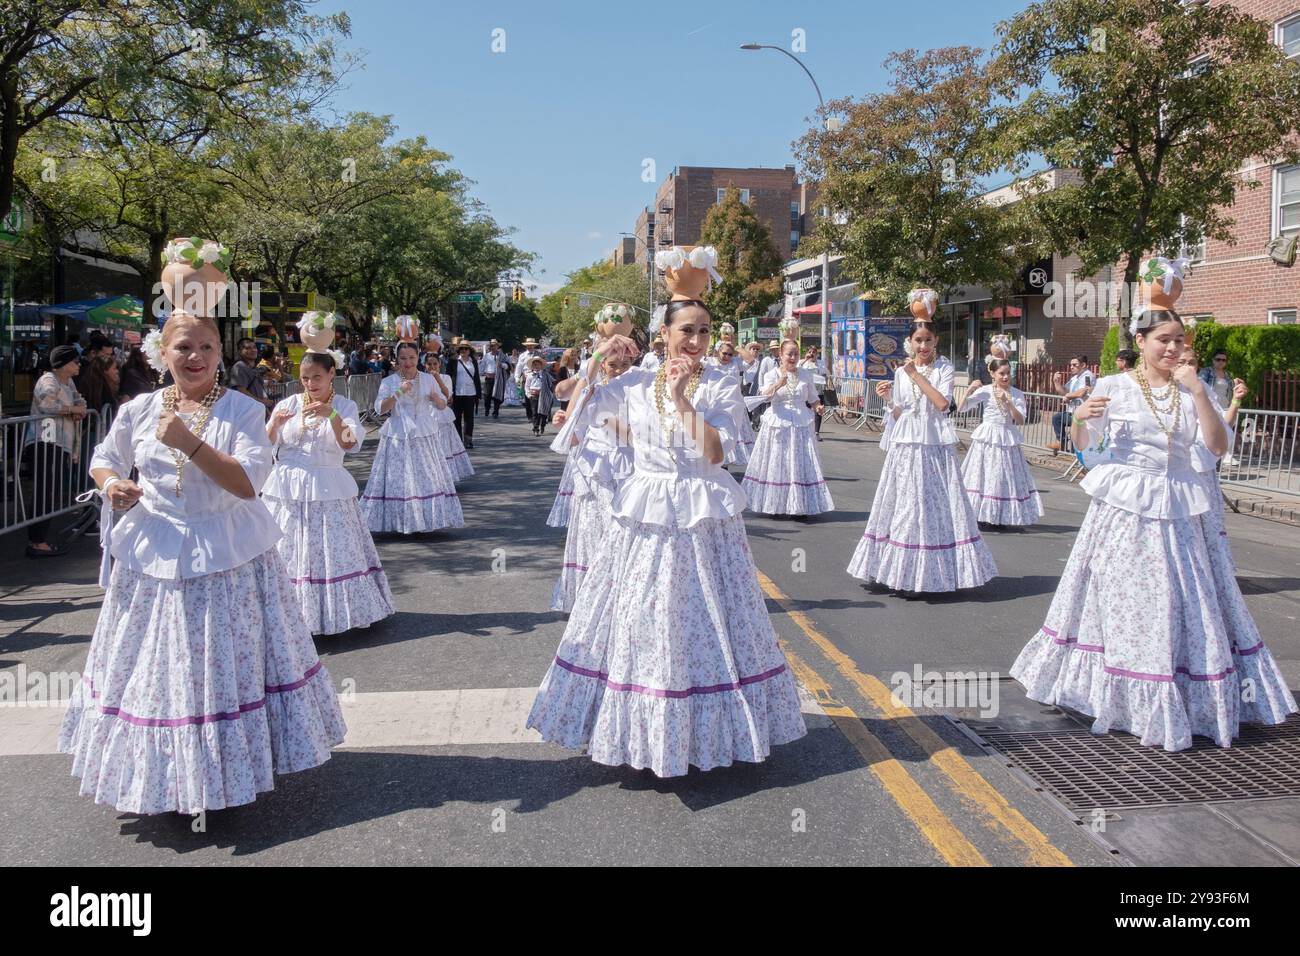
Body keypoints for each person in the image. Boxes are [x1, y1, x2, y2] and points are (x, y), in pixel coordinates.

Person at [62, 313, 347, 814]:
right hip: (152, 555)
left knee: (212, 667)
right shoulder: (139, 408)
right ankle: (167, 779)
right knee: (156, 671)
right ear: (161, 354)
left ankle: (219, 775)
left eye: (207, 348)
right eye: (184, 348)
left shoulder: (241, 409)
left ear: (220, 353)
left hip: (225, 554)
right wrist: (113, 485)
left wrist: (187, 442)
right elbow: (104, 457)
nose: (195, 358)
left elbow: (247, 483)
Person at [526, 297, 807, 776]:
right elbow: (576, 401)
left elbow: (716, 453)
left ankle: (709, 729)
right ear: (665, 333)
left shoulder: (720, 382)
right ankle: (642, 731)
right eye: (686, 331)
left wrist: (680, 397)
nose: (695, 342)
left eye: (704, 331)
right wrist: (597, 355)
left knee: (708, 616)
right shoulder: (635, 382)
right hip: (648, 511)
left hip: (703, 518)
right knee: (643, 614)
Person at [1011, 308, 1296, 751]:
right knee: (1120, 598)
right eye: (1164, 339)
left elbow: (1217, 448)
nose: (1173, 348)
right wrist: (1081, 418)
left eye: (1179, 340)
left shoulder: (1191, 393)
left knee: (1176, 600)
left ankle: (1174, 693)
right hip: (1123, 511)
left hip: (1179, 513)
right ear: (1140, 342)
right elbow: (1089, 451)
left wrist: (1199, 391)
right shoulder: (1113, 387)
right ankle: (1117, 697)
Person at [847, 308, 998, 592]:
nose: (923, 346)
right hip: (906, 444)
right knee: (905, 504)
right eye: (918, 340)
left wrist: (916, 375)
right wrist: (890, 400)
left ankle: (933, 573)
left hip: (933, 445)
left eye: (928, 340)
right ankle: (901, 573)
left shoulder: (943, 368)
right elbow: (901, 413)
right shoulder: (902, 372)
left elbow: (942, 405)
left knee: (931, 506)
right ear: (910, 342)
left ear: (936, 340)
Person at [264, 350, 394, 635]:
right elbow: (265, 446)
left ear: (331, 374)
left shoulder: (345, 406)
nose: (310, 384)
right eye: (305, 378)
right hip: (286, 489)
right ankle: (285, 616)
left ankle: (332, 614)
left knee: (330, 551)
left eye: (317, 377)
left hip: (328, 486)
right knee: (287, 552)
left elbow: (349, 444)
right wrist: (273, 425)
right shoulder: (288, 403)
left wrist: (332, 415)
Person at [548, 334, 639, 612]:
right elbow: (574, 437)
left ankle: (623, 597)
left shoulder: (638, 391)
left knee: (623, 534)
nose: (619, 370)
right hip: (594, 471)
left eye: (625, 364)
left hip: (629, 469)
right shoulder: (592, 391)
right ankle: (592, 598)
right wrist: (563, 422)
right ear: (602, 367)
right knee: (595, 534)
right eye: (613, 365)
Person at [361, 340, 464, 533]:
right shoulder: (389, 381)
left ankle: (424, 520)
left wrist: (437, 399)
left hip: (424, 431)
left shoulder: (427, 379)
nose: (407, 362)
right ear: (396, 359)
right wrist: (399, 392)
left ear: (418, 358)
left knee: (426, 476)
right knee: (400, 478)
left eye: (412, 358)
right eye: (403, 358)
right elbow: (380, 409)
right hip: (398, 433)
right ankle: (400, 520)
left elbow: (442, 405)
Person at [742, 338, 832, 517]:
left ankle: (799, 507)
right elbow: (765, 397)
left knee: (799, 463)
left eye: (796, 354)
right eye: (789, 354)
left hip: (801, 423)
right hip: (778, 422)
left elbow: (812, 397)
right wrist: (778, 383)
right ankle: (775, 503)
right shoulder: (772, 374)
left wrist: (818, 407)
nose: (793, 357)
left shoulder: (805, 374)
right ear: (781, 356)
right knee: (778, 462)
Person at [958, 358, 1043, 528]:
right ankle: (982, 515)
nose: (1005, 377)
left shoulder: (1017, 393)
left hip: (1007, 437)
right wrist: (969, 391)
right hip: (988, 437)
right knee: (985, 474)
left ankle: (1000, 515)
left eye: (1007, 373)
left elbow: (1020, 420)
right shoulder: (986, 391)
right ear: (992, 374)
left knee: (1004, 476)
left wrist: (1008, 402)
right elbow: (961, 408)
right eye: (1001, 373)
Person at [24, 345, 88, 557]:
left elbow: (80, 400)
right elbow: (46, 405)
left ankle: (40, 539)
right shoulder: (48, 380)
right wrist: (72, 410)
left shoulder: (68, 381)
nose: (78, 365)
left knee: (50, 491)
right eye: (75, 361)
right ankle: (37, 541)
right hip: (45, 440)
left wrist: (78, 409)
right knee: (45, 491)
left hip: (61, 442)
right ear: (63, 364)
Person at [1049, 355, 1095, 453]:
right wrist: (1056, 382)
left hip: (1082, 414)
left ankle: (1076, 456)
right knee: (1057, 418)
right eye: (1071, 365)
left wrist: (1068, 396)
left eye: (1075, 365)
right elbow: (1064, 392)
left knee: (1076, 438)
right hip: (1071, 412)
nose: (1071, 367)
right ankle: (1062, 443)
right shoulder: (1074, 378)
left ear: (1083, 365)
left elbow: (1082, 392)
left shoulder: (1088, 376)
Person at [448, 341, 481, 449]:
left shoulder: (473, 362)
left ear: (469, 351)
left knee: (469, 418)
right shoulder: (453, 361)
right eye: (461, 349)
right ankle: (458, 441)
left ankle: (468, 440)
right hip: (457, 393)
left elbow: (476, 378)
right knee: (456, 418)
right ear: (458, 350)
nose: (463, 350)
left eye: (466, 349)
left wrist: (479, 394)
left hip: (471, 393)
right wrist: (449, 393)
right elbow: (448, 377)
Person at [229, 337, 274, 416]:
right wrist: (262, 401)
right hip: (245, 413)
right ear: (240, 351)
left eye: (254, 347)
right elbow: (241, 391)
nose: (253, 350)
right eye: (248, 348)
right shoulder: (239, 367)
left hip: (257, 413)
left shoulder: (254, 368)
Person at [799, 345, 829, 440]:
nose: (812, 354)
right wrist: (805, 359)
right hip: (806, 390)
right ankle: (805, 430)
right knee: (805, 410)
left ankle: (816, 432)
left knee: (818, 411)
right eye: (810, 352)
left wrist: (826, 381)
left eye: (814, 352)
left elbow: (825, 374)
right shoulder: (802, 362)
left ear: (817, 354)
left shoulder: (821, 363)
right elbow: (797, 369)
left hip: (818, 389)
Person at [79, 354, 121, 420]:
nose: (117, 371)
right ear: (105, 371)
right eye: (114, 368)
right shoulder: (103, 391)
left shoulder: (91, 386)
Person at [481, 340, 503, 417]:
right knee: (487, 395)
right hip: (488, 378)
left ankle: (495, 411)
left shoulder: (502, 355)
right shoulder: (486, 356)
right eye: (492, 346)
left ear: (497, 346)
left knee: (497, 395)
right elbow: (482, 366)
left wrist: (502, 365)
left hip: (498, 379)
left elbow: (508, 364)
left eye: (495, 346)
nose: (493, 347)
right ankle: (487, 409)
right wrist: (483, 372)